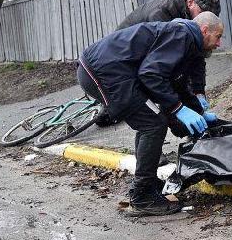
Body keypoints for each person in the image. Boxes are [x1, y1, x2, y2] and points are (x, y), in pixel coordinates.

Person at [77, 12, 224, 216]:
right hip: (104, 71)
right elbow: (151, 74)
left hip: (106, 69)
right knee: (152, 124)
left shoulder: (187, 41)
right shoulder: (181, 35)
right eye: (218, 37)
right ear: (205, 30)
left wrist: (197, 112)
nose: (219, 44)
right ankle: (142, 196)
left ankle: (148, 184)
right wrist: (178, 110)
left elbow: (177, 84)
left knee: (152, 121)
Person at [117, 0, 222, 111]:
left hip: (145, 61)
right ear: (190, 3)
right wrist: (177, 106)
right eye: (202, 13)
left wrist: (198, 92)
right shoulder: (161, 16)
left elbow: (197, 56)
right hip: (123, 58)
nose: (205, 18)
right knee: (153, 117)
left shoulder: (194, 23)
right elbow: (160, 69)